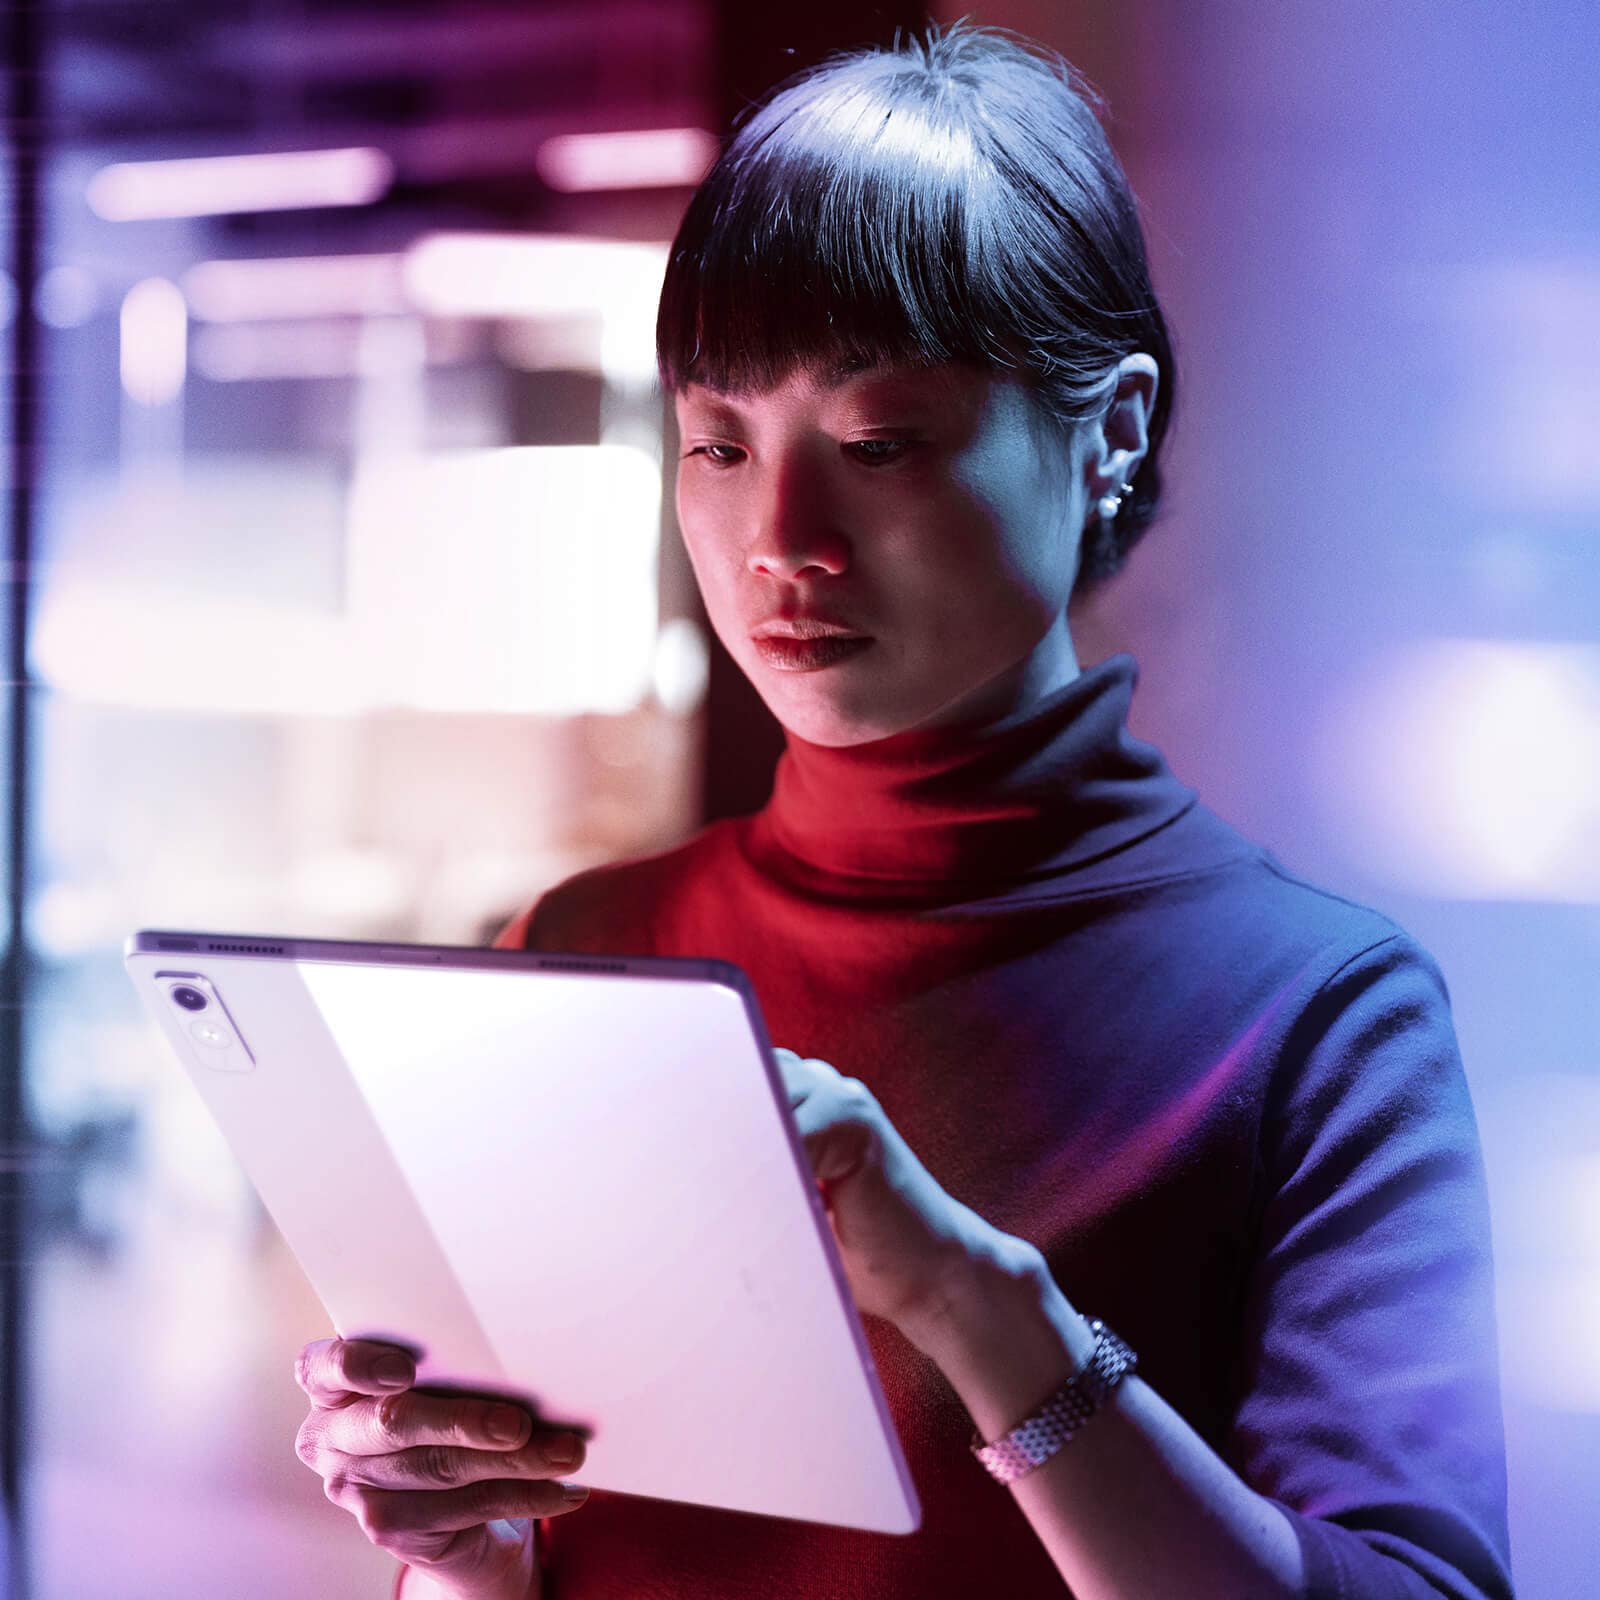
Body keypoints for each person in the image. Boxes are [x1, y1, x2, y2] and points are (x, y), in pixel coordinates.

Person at [293, 23, 1514, 1600]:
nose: (777, 537)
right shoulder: (588, 946)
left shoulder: (1316, 1015)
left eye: (877, 443)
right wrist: (466, 1543)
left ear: (1114, 433)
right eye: (718, 443)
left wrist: (974, 1306)